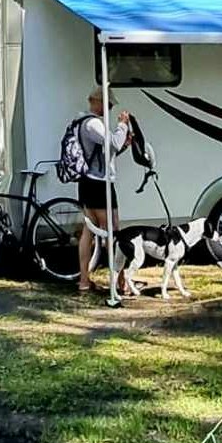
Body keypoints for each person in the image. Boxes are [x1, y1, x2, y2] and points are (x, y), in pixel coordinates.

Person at [74, 87, 132, 294]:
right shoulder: (92, 124)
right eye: (107, 105)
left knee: (89, 231)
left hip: (88, 182)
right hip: (99, 184)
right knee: (112, 232)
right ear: (94, 101)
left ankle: (84, 281)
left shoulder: (83, 122)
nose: (108, 109)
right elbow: (114, 142)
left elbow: (109, 151)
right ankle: (118, 282)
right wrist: (122, 125)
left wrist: (123, 145)